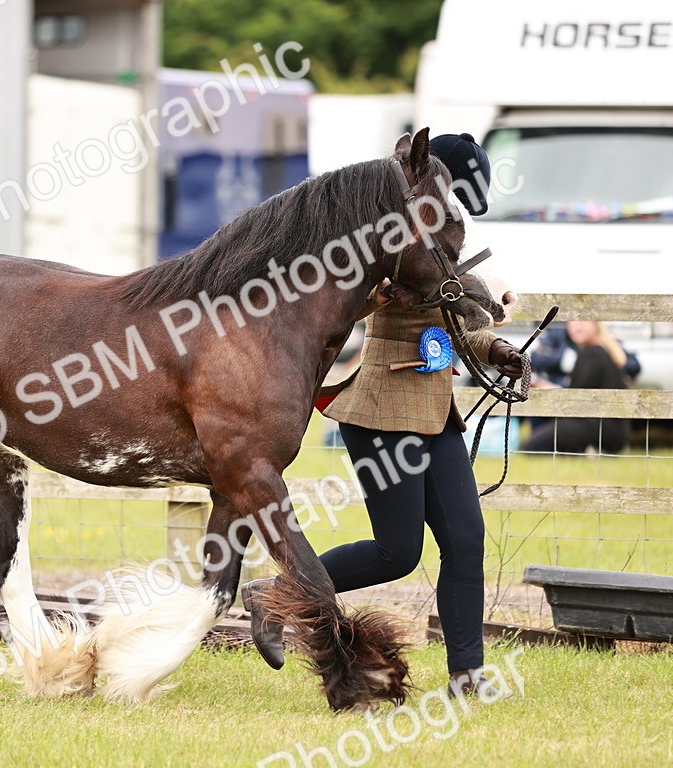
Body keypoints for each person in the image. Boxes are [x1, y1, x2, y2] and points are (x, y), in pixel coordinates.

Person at [242, 133, 527, 697]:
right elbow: (425, 295)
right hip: (380, 412)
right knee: (397, 552)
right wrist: (477, 290)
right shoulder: (391, 236)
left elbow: (453, 322)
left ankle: (467, 674)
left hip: (435, 411)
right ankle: (277, 593)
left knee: (466, 539)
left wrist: (497, 349)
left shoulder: (435, 232)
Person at [520, 320, 632, 453]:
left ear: (596, 325)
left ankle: (590, 449)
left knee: (532, 446)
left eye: (583, 322)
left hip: (599, 425)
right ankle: (587, 450)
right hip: (607, 426)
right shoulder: (601, 350)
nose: (576, 327)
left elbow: (576, 398)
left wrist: (551, 391)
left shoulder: (593, 353)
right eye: (572, 323)